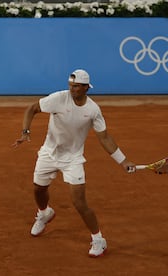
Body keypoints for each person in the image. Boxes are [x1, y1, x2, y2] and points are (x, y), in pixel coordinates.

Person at [12, 69, 136, 257]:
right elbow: (32, 109)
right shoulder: (59, 98)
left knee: (79, 202)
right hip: (49, 153)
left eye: (76, 86)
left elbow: (104, 137)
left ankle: (98, 239)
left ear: (86, 88)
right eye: (71, 85)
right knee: (38, 189)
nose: (72, 89)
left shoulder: (93, 110)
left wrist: (123, 160)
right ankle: (45, 213)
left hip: (73, 159)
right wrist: (25, 132)